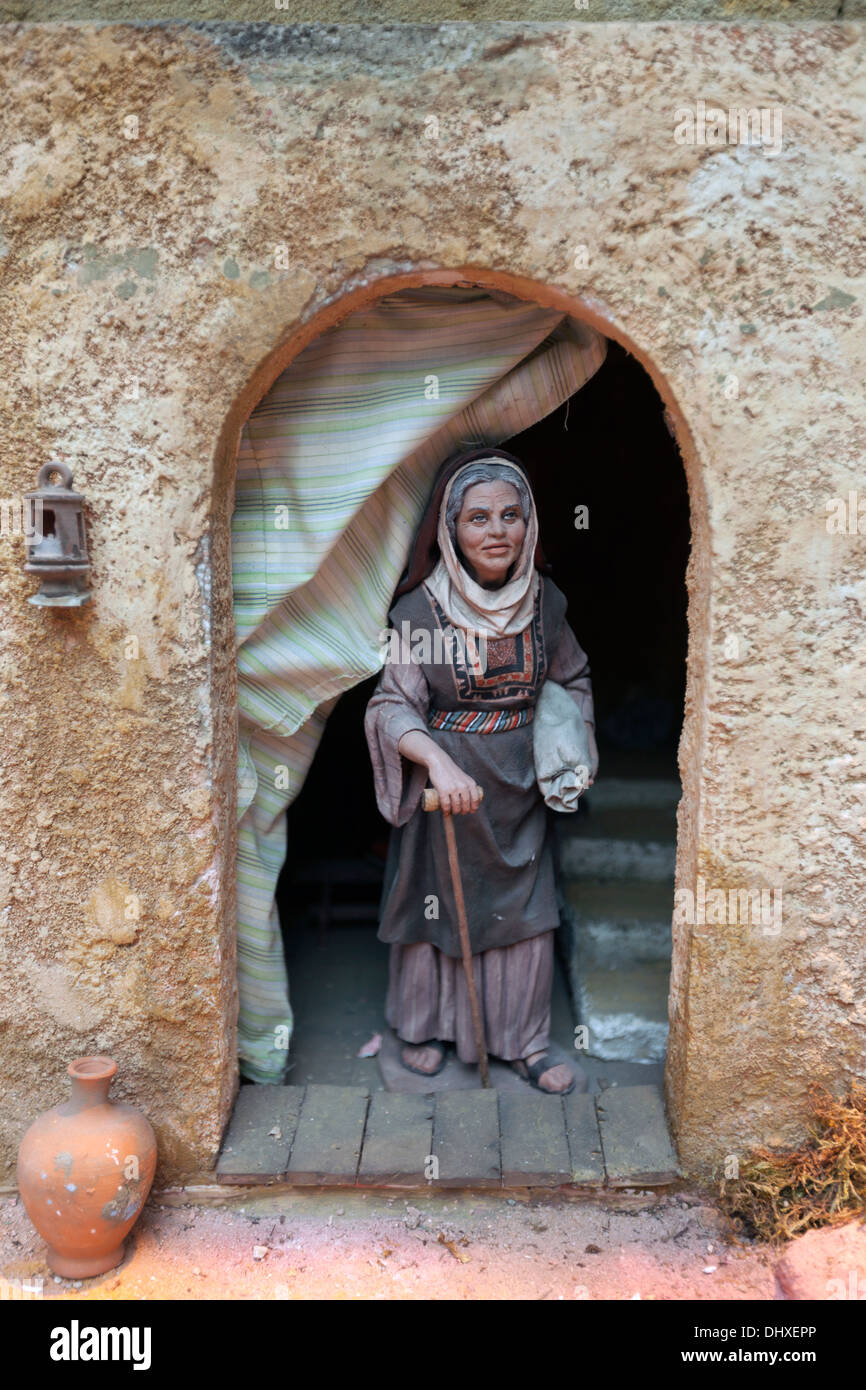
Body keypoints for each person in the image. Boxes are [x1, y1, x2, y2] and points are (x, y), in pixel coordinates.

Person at [364, 447, 598, 1094]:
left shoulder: (545, 606)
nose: (496, 531)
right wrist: (437, 762)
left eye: (510, 516)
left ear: (530, 525)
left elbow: (571, 677)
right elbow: (390, 707)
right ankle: (423, 1029)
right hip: (449, 793)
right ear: (450, 529)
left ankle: (523, 1043)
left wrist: (570, 750)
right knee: (433, 909)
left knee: (525, 912)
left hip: (519, 791)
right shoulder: (421, 614)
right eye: (477, 518)